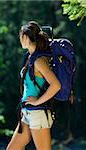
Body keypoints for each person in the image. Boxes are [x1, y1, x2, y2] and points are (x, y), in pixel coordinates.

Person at [6, 21, 61, 150]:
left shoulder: (39, 61)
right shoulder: (31, 57)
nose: (20, 39)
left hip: (38, 113)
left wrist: (36, 102)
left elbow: (56, 85)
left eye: (20, 36)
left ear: (25, 37)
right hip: (27, 113)